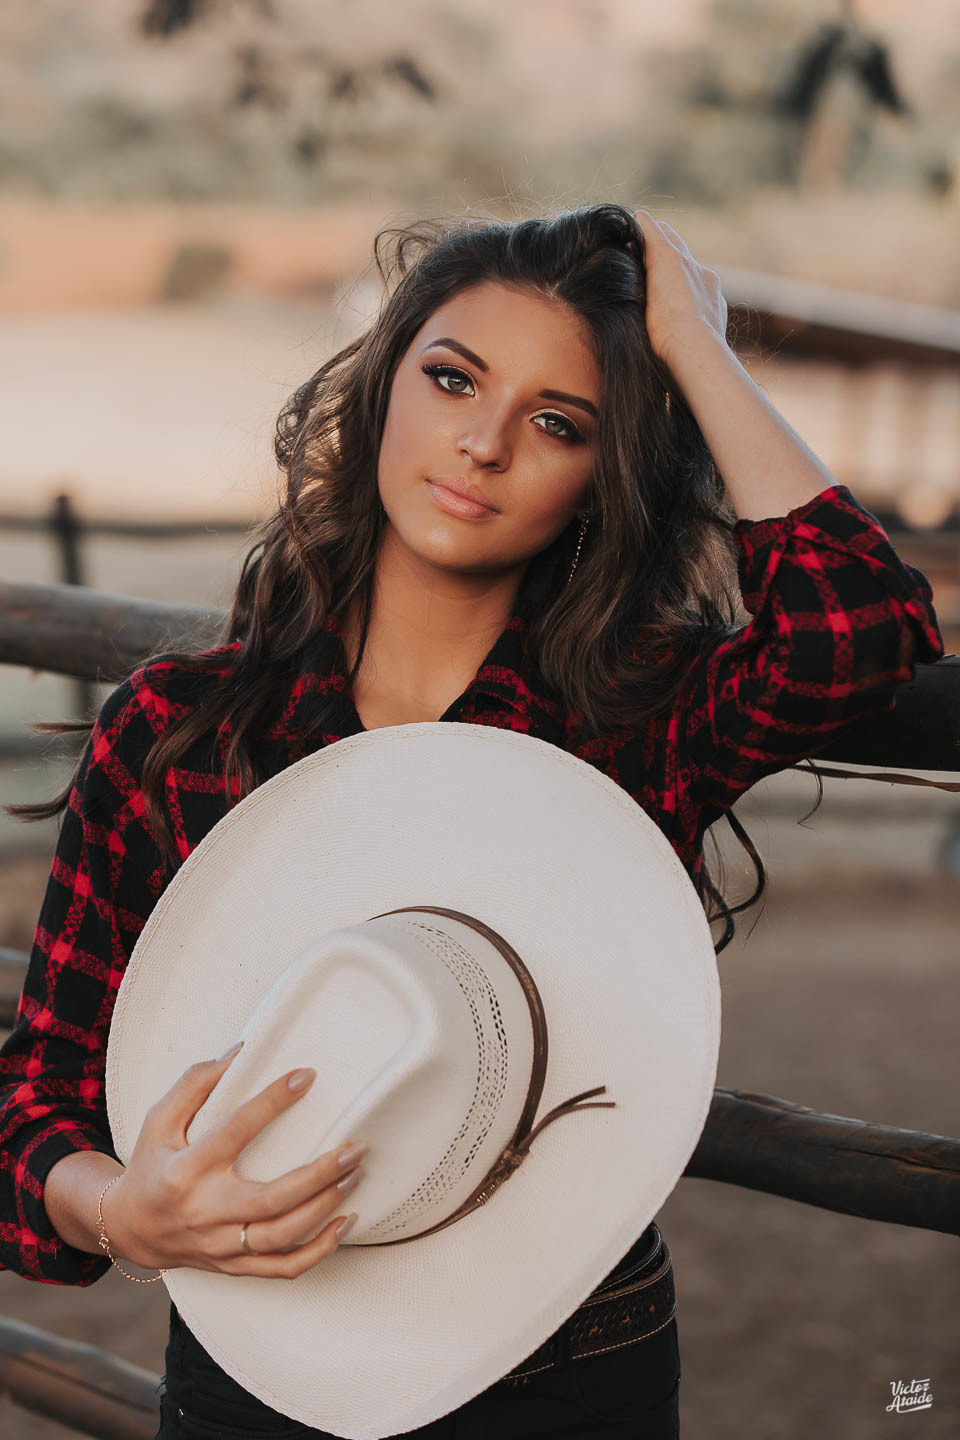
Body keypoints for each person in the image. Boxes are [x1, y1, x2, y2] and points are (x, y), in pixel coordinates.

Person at [0, 203, 944, 1439]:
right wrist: (119, 1211)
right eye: (453, 379)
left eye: (560, 422)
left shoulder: (628, 721)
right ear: (386, 386)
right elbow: (38, 1098)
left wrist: (694, 345)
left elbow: (858, 627)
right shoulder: (181, 732)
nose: (485, 444)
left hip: (571, 1360)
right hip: (258, 1355)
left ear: (602, 478)